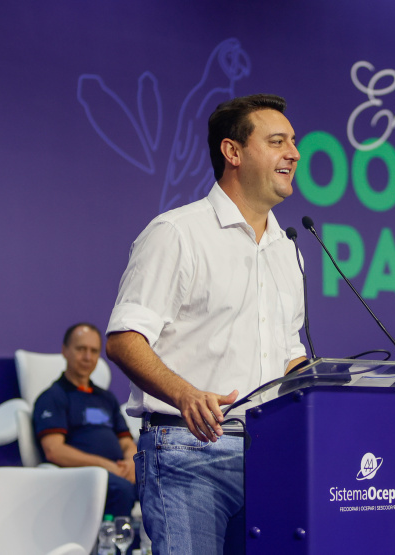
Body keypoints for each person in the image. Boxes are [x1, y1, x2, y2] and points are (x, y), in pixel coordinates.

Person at [105, 94, 306, 554]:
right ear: (233, 152)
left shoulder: (289, 249)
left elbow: (287, 348)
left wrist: (319, 384)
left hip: (269, 455)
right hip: (187, 453)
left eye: (293, 142)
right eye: (277, 142)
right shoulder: (177, 233)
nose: (293, 153)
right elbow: (124, 338)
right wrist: (184, 393)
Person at [33, 323, 137, 517]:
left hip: (116, 472)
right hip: (79, 478)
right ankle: (113, 547)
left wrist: (131, 462)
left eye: (94, 351)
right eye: (81, 349)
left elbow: (126, 442)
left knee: (156, 484)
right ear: (65, 351)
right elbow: (54, 451)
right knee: (121, 489)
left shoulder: (106, 398)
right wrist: (104, 465)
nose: (88, 357)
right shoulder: (52, 397)